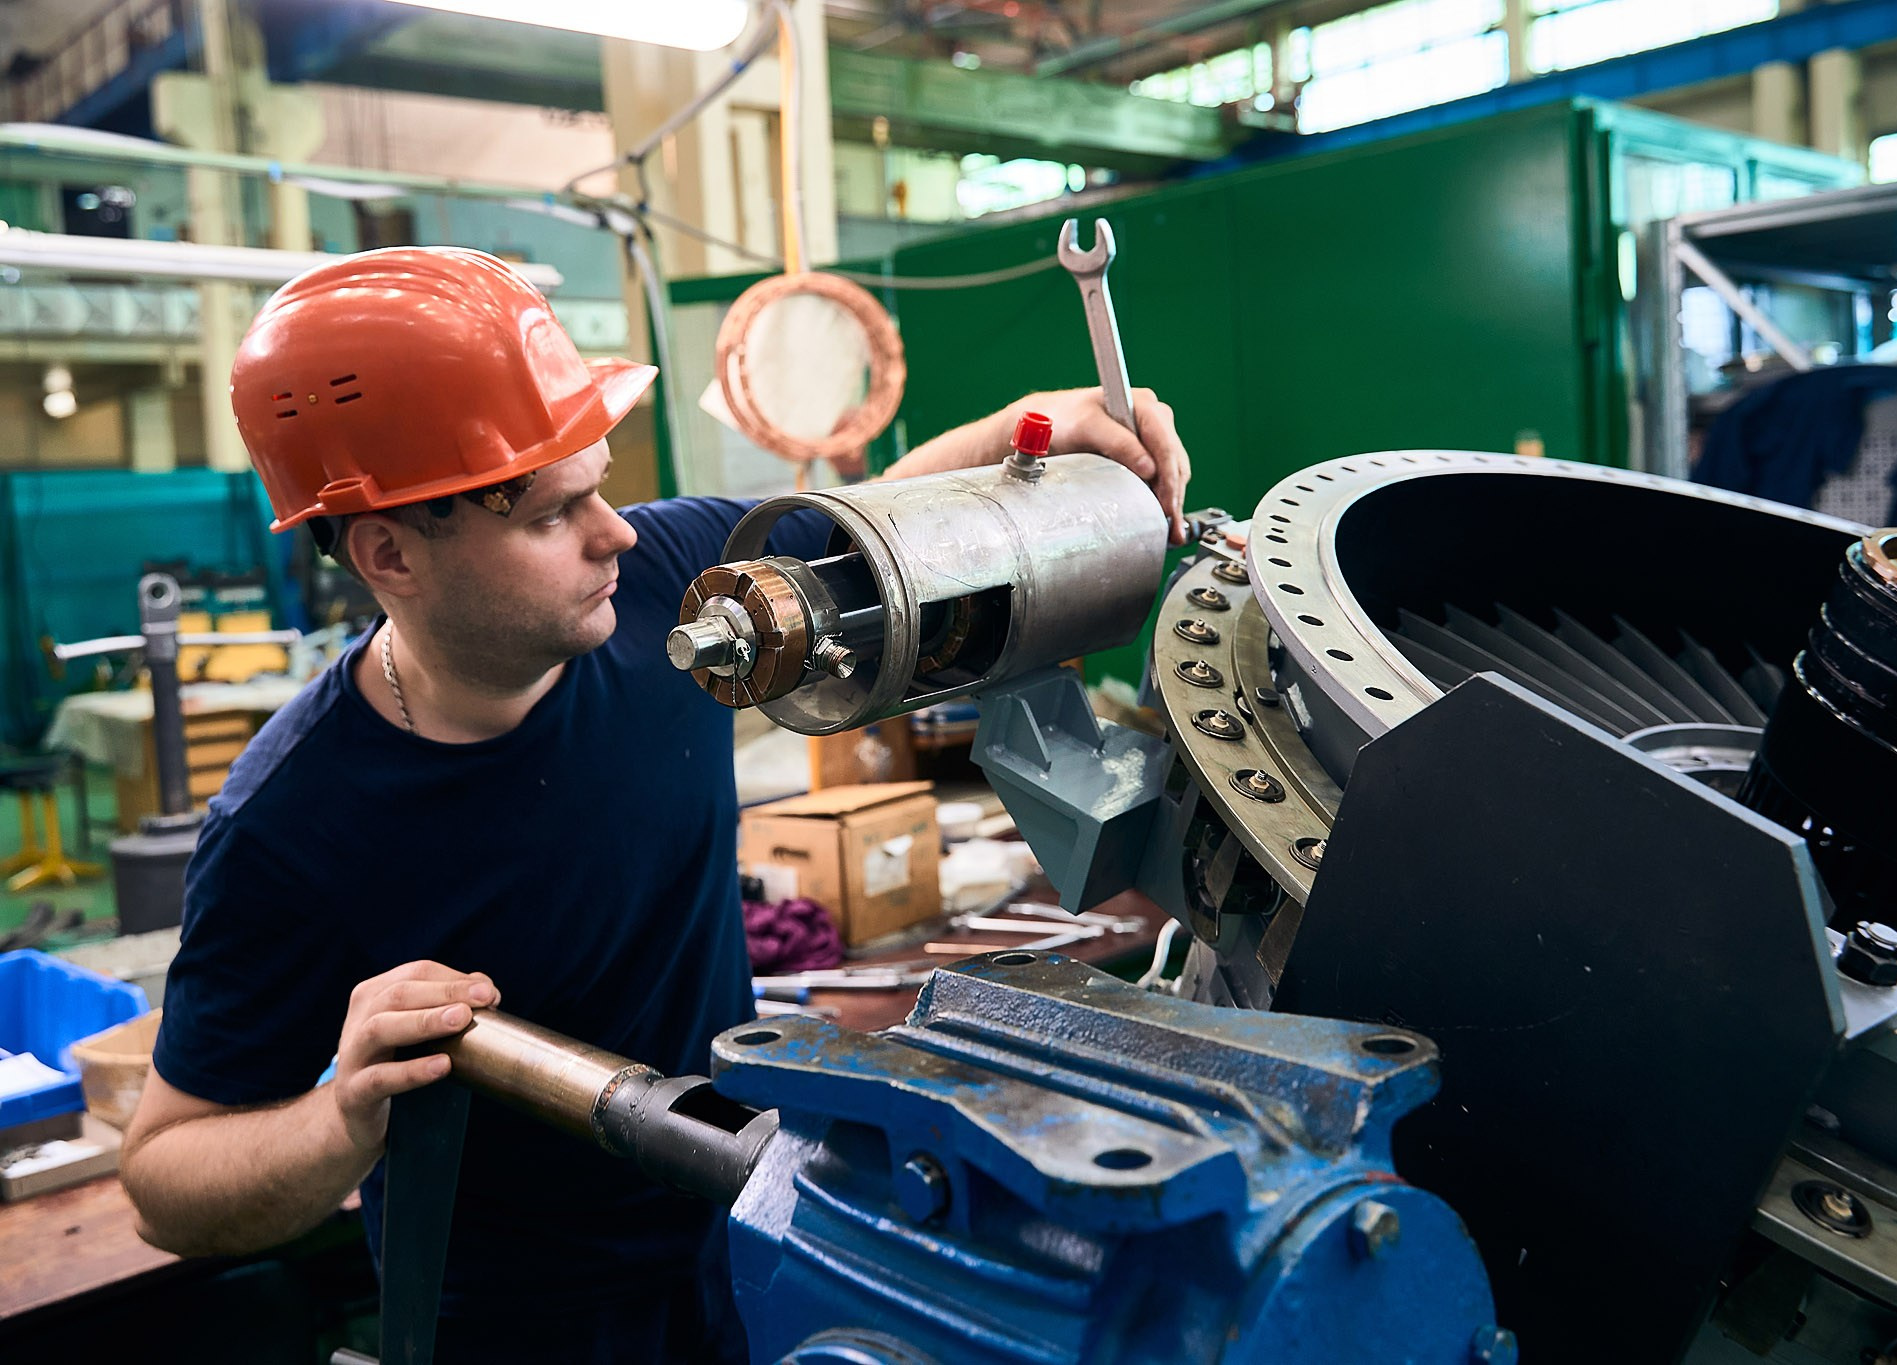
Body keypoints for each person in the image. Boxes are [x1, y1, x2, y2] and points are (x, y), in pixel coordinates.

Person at [118, 246, 1190, 1363]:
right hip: (525, 1329)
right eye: (552, 514)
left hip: (754, 1225)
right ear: (390, 553)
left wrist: (1033, 424)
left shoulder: (666, 581)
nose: (616, 532)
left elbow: (875, 536)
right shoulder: (288, 824)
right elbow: (164, 1182)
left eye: (602, 485)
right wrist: (340, 1117)